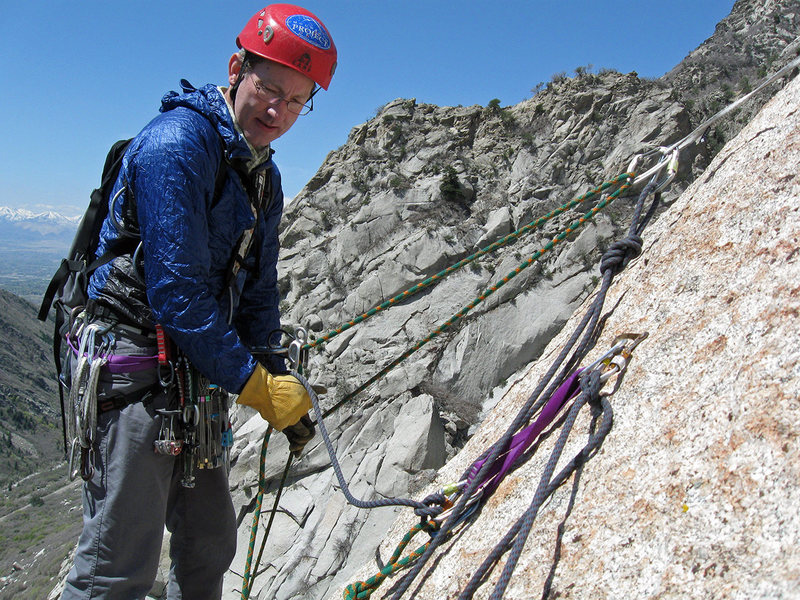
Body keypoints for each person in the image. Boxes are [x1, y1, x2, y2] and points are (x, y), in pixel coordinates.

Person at [60, 4, 337, 599]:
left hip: (193, 378)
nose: (278, 111)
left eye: (296, 101)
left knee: (210, 541)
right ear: (238, 68)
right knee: (119, 563)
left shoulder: (264, 174)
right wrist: (253, 383)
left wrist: (277, 378)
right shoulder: (177, 144)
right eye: (270, 89)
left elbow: (257, 291)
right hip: (134, 366)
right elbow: (176, 290)